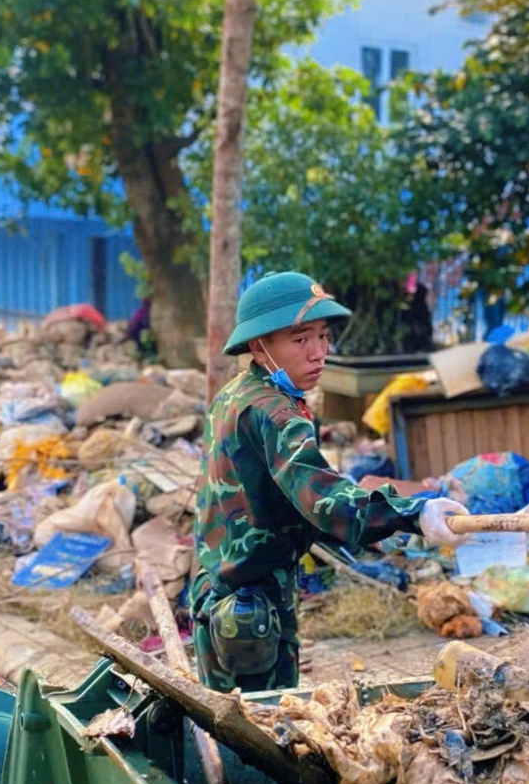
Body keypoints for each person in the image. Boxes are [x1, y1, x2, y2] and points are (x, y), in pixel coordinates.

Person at [192, 272, 468, 691]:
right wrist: (414, 511)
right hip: (252, 610)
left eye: (323, 336)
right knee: (258, 731)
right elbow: (322, 498)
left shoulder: (235, 393)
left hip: (217, 596)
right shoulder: (278, 414)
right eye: (301, 340)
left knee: (225, 719)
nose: (319, 353)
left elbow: (287, 495)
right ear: (258, 345)